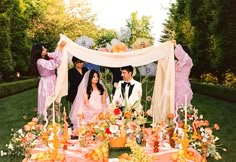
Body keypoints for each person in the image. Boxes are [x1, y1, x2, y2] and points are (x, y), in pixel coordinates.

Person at [31, 41, 67, 116]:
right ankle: (47, 117)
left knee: (54, 98)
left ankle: (55, 117)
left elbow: (55, 54)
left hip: (52, 80)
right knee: (47, 98)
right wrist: (60, 48)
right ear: (39, 52)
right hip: (47, 82)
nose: (46, 50)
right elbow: (54, 64)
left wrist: (60, 48)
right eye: (43, 49)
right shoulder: (40, 61)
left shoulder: (45, 56)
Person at [174, 43, 193, 108]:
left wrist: (176, 45)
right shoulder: (176, 63)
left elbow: (183, 55)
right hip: (173, 88)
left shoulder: (188, 62)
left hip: (183, 88)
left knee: (181, 108)